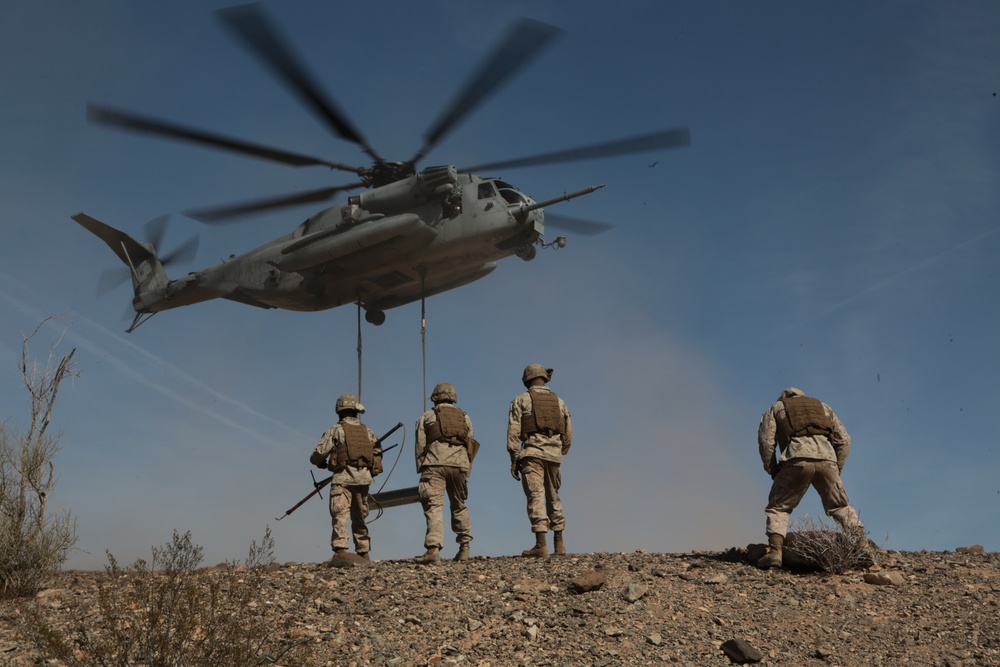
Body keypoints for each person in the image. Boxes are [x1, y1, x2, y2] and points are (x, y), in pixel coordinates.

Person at [756, 387, 867, 569]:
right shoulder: (824, 407)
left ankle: (775, 554)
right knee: (840, 505)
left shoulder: (776, 407)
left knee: (778, 506)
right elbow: (845, 440)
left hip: (795, 459)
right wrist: (836, 467)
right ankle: (863, 547)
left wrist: (773, 470)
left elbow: (766, 442)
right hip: (828, 459)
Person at [507, 364, 573, 557]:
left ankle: (541, 544)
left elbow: (513, 432)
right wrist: (561, 450)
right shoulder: (559, 401)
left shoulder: (521, 400)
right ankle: (559, 543)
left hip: (532, 454)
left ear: (527, 380)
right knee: (554, 496)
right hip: (554, 455)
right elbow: (568, 431)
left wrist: (513, 458)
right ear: (544, 379)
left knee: (536, 496)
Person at [310, 394, 381, 562]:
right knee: (360, 516)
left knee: (340, 514)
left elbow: (319, 454)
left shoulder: (336, 430)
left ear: (339, 410)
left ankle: (341, 551)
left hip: (342, 479)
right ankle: (363, 551)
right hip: (363, 480)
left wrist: (319, 463)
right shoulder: (368, 431)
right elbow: (377, 453)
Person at [413, 382, 476, 564]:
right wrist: (466, 470)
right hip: (459, 466)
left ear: (435, 397)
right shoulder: (465, 417)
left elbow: (419, 446)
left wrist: (422, 468)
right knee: (459, 505)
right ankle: (464, 548)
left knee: (433, 506)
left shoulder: (427, 416)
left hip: (434, 464)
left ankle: (433, 550)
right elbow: (470, 444)